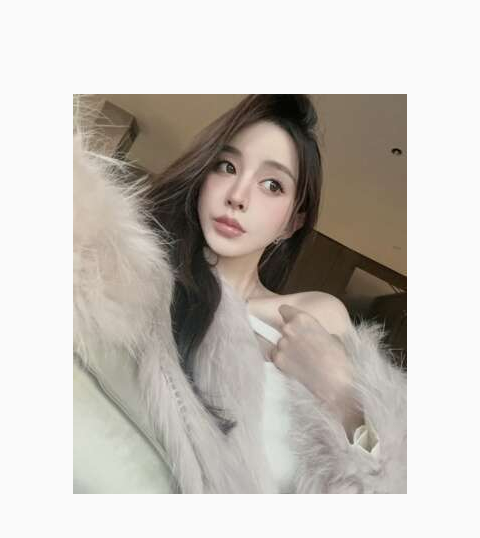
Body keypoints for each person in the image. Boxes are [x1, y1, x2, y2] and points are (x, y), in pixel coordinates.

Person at [73, 94, 407, 493]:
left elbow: (383, 485)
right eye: (227, 166)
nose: (238, 195)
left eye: (272, 185)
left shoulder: (313, 317)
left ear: (292, 222)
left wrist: (339, 387)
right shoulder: (129, 282)